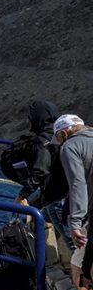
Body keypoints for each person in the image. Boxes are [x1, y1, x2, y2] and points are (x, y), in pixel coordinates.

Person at [55, 115, 93, 280]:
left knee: (79, 269)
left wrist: (75, 222)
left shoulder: (70, 146)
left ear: (64, 133)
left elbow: (78, 185)